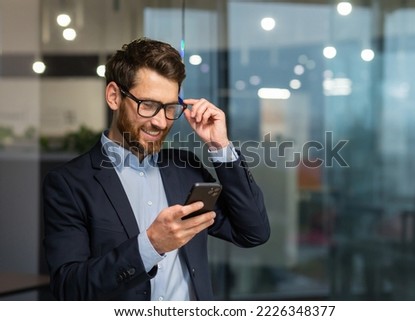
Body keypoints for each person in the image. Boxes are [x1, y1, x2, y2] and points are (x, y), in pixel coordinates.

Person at [42, 37, 270, 301]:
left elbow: (253, 232)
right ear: (114, 96)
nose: (161, 122)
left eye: (170, 108)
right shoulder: (69, 183)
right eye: (148, 105)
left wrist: (220, 145)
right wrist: (150, 246)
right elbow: (69, 289)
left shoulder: (186, 168)